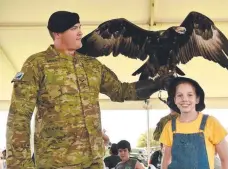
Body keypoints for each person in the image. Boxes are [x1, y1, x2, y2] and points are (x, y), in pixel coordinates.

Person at [5, 11, 174, 169]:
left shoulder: (92, 65)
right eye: (73, 29)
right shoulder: (37, 64)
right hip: (56, 162)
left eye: (79, 27)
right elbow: (19, 116)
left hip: (93, 161)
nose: (80, 32)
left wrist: (156, 84)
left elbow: (120, 91)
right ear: (57, 34)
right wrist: (20, 164)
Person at [159, 77, 228, 169]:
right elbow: (166, 160)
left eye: (190, 95)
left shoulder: (211, 123)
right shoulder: (169, 127)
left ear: (197, 99)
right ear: (175, 100)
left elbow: (225, 159)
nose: (184, 99)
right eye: (179, 95)